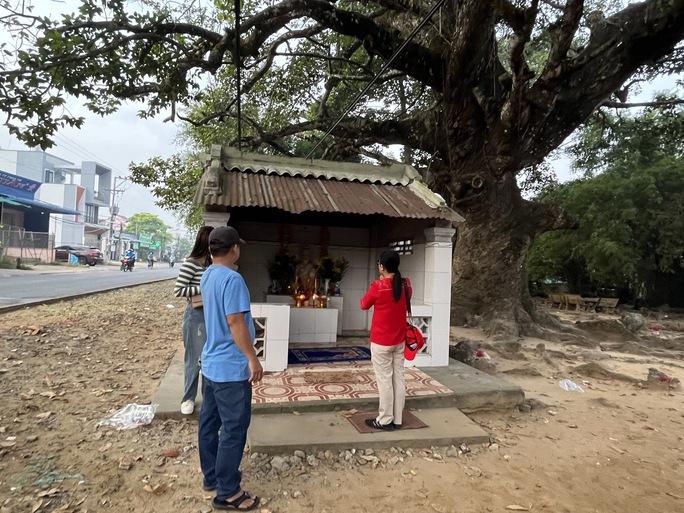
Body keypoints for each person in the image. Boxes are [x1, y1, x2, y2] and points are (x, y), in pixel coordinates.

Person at [198, 226, 262, 511]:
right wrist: (252, 357)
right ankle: (228, 492)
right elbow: (235, 321)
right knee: (234, 429)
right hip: (230, 368)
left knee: (209, 424)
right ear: (234, 248)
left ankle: (212, 476)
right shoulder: (233, 279)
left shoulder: (208, 275)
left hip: (210, 364)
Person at [360, 249, 412, 431]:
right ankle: (397, 419)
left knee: (384, 380)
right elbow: (405, 299)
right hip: (399, 340)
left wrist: (377, 285)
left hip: (381, 341)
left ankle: (384, 420)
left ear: (382, 267)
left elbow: (363, 304)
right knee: (399, 378)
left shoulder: (378, 286)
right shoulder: (406, 285)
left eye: (378, 264)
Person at [173, 226, 213, 415]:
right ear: (206, 242)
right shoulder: (191, 263)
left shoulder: (211, 264)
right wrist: (203, 288)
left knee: (208, 358)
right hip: (195, 316)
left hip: (210, 316)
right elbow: (179, 290)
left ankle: (207, 397)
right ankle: (188, 398)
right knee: (193, 359)